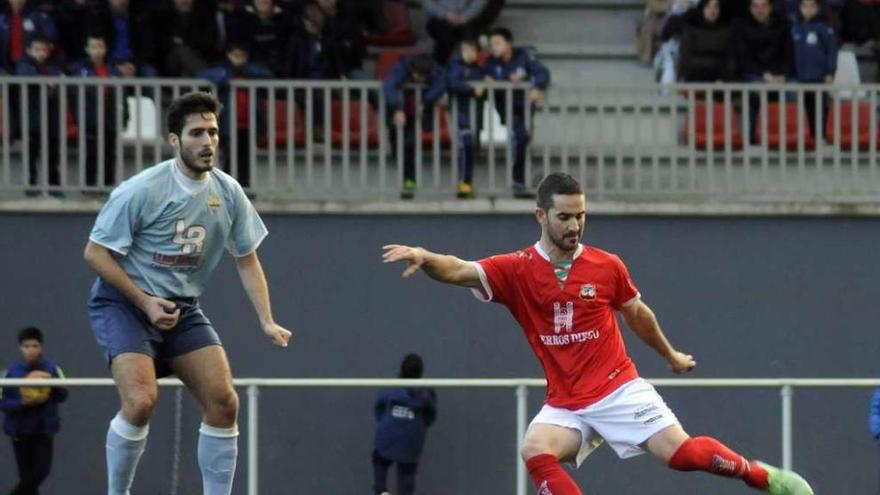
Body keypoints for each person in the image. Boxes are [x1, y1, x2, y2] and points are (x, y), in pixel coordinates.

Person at [382, 172, 814, 495]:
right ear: (541, 216)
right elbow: (459, 269)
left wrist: (669, 355)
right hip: (567, 403)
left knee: (682, 457)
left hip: (618, 389)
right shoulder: (516, 270)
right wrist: (425, 255)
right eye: (565, 216)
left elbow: (637, 313)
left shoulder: (607, 266)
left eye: (581, 215)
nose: (575, 225)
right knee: (534, 448)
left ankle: (763, 477)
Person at [83, 92, 293, 495]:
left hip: (181, 309)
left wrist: (266, 320)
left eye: (213, 132)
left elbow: (247, 259)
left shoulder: (228, 192)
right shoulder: (141, 189)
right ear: (174, 141)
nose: (207, 141)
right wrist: (144, 301)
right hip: (125, 303)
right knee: (142, 401)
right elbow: (95, 254)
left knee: (225, 402)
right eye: (196, 132)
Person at [1, 326, 68, 495]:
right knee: (27, 478)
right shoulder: (10, 372)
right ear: (20, 347)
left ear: (41, 347)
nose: (31, 350)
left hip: (43, 429)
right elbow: (2, 403)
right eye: (26, 346)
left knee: (40, 471)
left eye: (35, 346)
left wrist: (49, 385)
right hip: (20, 430)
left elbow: (63, 395)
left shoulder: (52, 369)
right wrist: (23, 402)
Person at [484, 27, 550, 198]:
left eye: (497, 43)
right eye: (492, 45)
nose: (494, 48)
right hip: (507, 108)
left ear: (509, 44)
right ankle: (518, 183)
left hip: (526, 107)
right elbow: (484, 78)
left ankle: (522, 180)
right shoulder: (491, 63)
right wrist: (503, 80)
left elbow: (542, 72)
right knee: (520, 136)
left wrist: (538, 86)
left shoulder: (524, 56)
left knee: (524, 139)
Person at [198, 42, 273, 189]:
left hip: (249, 123)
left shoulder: (251, 72)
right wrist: (230, 73)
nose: (239, 59)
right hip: (229, 123)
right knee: (229, 158)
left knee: (247, 158)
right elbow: (204, 75)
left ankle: (245, 188)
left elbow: (268, 74)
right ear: (228, 55)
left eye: (242, 56)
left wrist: (243, 69)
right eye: (235, 55)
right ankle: (226, 189)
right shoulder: (222, 69)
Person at [382, 53, 446, 199]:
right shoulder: (402, 66)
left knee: (409, 144)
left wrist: (425, 101)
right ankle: (401, 169)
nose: (420, 80)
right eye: (418, 76)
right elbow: (389, 86)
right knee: (397, 143)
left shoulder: (434, 69)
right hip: (397, 109)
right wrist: (397, 108)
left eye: (423, 78)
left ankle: (409, 180)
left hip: (414, 113)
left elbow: (440, 84)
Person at [372, 353, 437, 495]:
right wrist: (417, 424)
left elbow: (378, 409)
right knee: (408, 469)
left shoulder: (390, 388)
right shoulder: (427, 393)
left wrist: (388, 421)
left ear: (401, 370)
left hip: (387, 439)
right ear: (420, 373)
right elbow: (431, 416)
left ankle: (381, 491)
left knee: (379, 459)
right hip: (411, 443)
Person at [732, 0, 793, 141]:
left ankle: (787, 137)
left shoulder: (782, 25)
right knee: (756, 92)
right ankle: (752, 139)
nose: (760, 10)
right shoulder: (741, 26)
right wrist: (764, 75)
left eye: (764, 6)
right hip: (753, 74)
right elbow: (744, 58)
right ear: (750, 8)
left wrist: (783, 75)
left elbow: (788, 55)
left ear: (770, 7)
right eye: (755, 6)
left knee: (793, 92)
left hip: (778, 75)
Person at [69, 33, 123, 190]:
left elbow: (122, 96)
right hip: (89, 119)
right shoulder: (79, 70)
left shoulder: (113, 70)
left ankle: (108, 186)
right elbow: (74, 96)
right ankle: (89, 186)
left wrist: (123, 116)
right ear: (87, 49)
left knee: (109, 154)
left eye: (100, 46)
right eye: (93, 47)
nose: (97, 51)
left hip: (109, 118)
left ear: (105, 49)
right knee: (90, 154)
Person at [15, 34, 62, 196]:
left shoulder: (53, 66)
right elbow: (25, 76)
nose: (41, 53)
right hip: (32, 118)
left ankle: (54, 186)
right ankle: (31, 185)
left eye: (43, 49)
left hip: (51, 117)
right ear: (29, 50)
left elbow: (59, 80)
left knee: (52, 154)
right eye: (37, 49)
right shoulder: (24, 64)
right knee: (31, 154)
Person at [446, 37, 486, 199]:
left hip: (474, 113)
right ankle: (463, 183)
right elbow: (452, 83)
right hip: (459, 113)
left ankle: (466, 183)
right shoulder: (455, 67)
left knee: (470, 146)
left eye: (473, 50)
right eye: (466, 50)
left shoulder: (478, 69)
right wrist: (471, 89)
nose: (470, 54)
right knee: (465, 143)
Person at [791, 0, 837, 137]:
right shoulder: (795, 28)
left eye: (812, 6)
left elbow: (831, 52)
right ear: (800, 8)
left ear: (818, 8)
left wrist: (830, 72)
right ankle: (805, 139)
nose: (808, 10)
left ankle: (820, 137)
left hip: (818, 78)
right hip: (799, 78)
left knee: (819, 110)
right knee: (802, 111)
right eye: (804, 6)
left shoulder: (824, 28)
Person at [679, 0, 736, 84]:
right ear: (702, 8)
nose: (712, 11)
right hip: (695, 77)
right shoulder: (691, 29)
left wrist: (724, 78)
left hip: (720, 79)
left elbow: (731, 59)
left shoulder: (726, 31)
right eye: (708, 7)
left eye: (716, 6)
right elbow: (686, 58)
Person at [422, 0, 487, 64]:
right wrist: (446, 14)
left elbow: (479, 2)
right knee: (446, 36)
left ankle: (468, 68)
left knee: (470, 38)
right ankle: (440, 65)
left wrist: (465, 16)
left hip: (465, 18)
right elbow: (427, 2)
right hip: (438, 17)